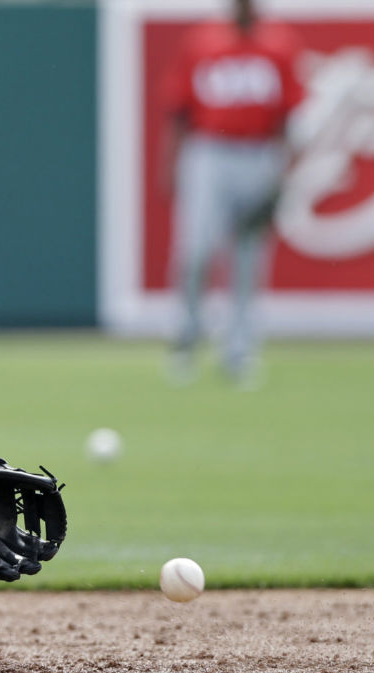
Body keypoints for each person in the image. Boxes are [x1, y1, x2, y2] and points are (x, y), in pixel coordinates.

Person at [159, 0, 304, 387]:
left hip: (259, 152)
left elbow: (289, 115)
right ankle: (186, 337)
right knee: (196, 251)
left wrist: (283, 173)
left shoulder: (280, 43)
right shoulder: (202, 40)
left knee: (248, 257)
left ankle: (239, 349)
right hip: (209, 151)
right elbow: (178, 109)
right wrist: (169, 163)